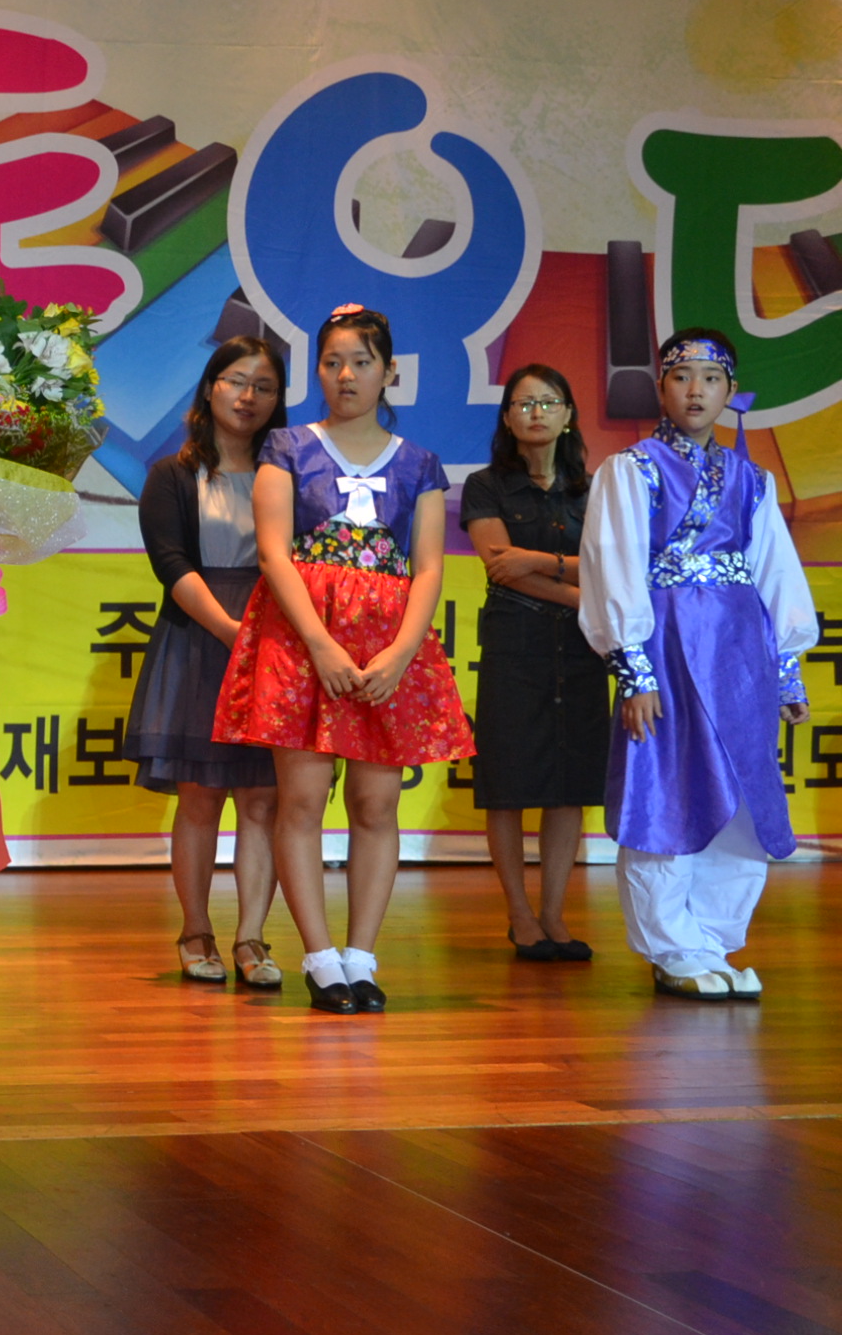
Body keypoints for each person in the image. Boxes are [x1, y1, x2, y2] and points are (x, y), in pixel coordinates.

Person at [213, 305, 475, 1016]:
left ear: (388, 372)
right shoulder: (288, 447)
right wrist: (320, 643)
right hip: (303, 642)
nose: (346, 375)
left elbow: (428, 568)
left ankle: (362, 955)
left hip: (387, 647)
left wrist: (400, 653)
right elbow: (274, 554)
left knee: (376, 803)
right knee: (300, 801)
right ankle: (321, 957)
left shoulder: (420, 464)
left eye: (361, 362)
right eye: (332, 362)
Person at [580, 328, 815, 1000]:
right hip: (666, 652)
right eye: (682, 377)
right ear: (661, 387)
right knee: (668, 790)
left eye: (711, 380)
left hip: (739, 657)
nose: (696, 392)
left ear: (730, 391)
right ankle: (672, 947)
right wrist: (634, 672)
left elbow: (775, 572)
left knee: (741, 792)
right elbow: (614, 565)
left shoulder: (752, 480)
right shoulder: (634, 470)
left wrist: (786, 669)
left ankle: (711, 940)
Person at [125, 337, 287, 989]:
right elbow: (171, 565)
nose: (249, 397)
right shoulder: (171, 474)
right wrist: (229, 630)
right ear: (210, 387)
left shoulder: (287, 474)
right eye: (236, 381)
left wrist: (267, 637)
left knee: (263, 800)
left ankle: (252, 937)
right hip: (198, 639)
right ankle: (195, 930)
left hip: (274, 642)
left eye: (264, 387)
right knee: (200, 797)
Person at [460, 365, 606, 963]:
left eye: (548, 402)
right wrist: (580, 592)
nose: (536, 413)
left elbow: (610, 564)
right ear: (507, 417)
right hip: (515, 648)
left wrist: (539, 560)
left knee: (568, 786)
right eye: (524, 404)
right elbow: (501, 566)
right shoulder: (486, 485)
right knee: (508, 786)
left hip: (581, 652)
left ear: (568, 414)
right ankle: (519, 914)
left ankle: (553, 914)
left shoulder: (593, 490)